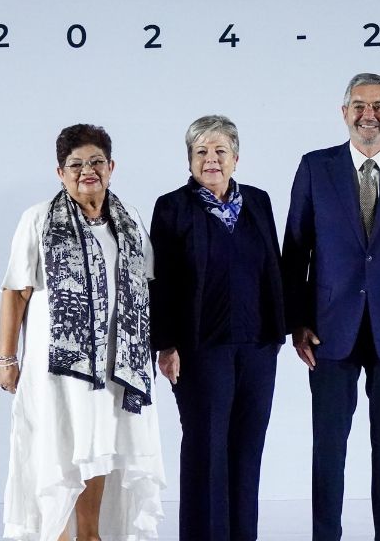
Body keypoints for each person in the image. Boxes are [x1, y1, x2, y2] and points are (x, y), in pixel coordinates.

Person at [283, 72, 380, 541]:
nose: (367, 114)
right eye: (358, 105)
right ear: (344, 113)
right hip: (329, 329)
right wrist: (298, 321)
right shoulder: (315, 167)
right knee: (328, 447)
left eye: (377, 106)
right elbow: (296, 249)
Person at [0, 123, 164, 541]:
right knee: (58, 448)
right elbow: (16, 291)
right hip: (57, 367)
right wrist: (5, 357)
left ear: (111, 167)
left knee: (99, 449)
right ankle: (57, 535)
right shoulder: (37, 220)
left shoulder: (128, 222)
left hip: (113, 367)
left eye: (95, 162)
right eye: (75, 164)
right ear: (60, 172)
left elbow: (146, 286)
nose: (87, 171)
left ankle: (91, 535)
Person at [149, 115, 287, 540]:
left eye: (220, 151)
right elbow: (161, 281)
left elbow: (274, 269)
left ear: (236, 157)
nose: (211, 159)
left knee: (247, 452)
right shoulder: (172, 207)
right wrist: (166, 344)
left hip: (257, 346)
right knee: (207, 451)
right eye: (201, 152)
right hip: (199, 349)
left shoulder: (259, 201)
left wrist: (280, 334)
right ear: (189, 160)